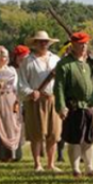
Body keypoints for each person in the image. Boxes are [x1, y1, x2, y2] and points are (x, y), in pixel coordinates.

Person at [54, 32, 93, 177]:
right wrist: (61, 106)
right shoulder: (64, 64)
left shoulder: (90, 63)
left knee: (89, 139)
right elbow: (59, 87)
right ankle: (75, 168)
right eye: (81, 43)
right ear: (73, 45)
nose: (84, 46)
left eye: (85, 43)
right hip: (73, 106)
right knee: (74, 139)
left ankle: (89, 167)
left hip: (89, 106)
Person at [18, 31, 62, 172]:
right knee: (37, 134)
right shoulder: (28, 61)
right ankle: (37, 164)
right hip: (35, 100)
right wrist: (31, 92)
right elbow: (22, 83)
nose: (43, 44)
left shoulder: (56, 59)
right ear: (35, 43)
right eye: (40, 41)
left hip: (53, 98)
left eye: (45, 41)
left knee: (54, 134)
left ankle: (51, 163)